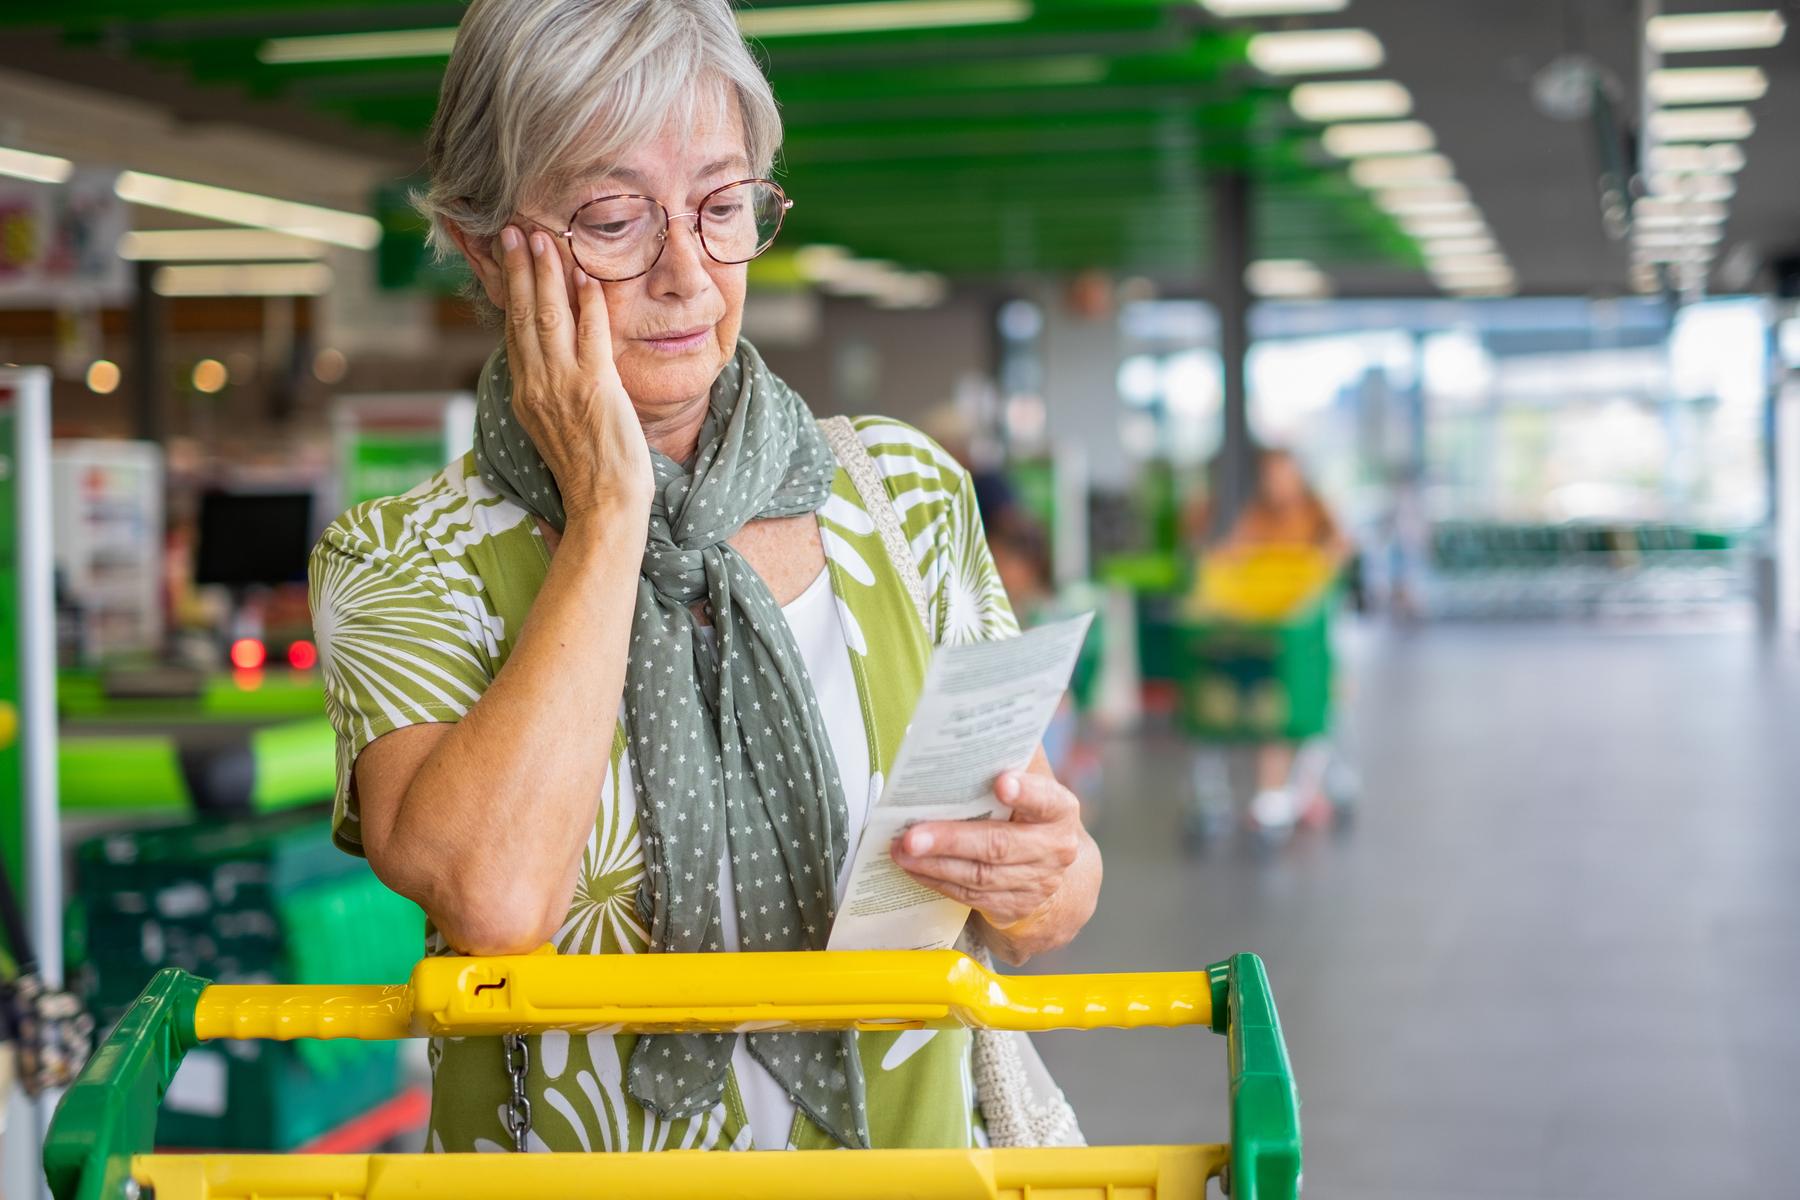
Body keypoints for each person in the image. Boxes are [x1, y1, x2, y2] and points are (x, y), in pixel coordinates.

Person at [307, 0, 1101, 1158]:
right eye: (613, 217)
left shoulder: (905, 496)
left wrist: (1047, 874)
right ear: (484, 244)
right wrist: (610, 509)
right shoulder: (401, 559)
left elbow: (1041, 896)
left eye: (724, 207)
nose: (686, 273)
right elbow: (494, 901)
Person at [1207, 447, 1349, 828]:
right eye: (1271, 476)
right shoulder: (1257, 516)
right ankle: (1280, 795)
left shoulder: (1318, 513)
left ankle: (1303, 792)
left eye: (1284, 475)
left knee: (1316, 710)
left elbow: (1341, 550)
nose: (1278, 484)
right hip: (1272, 633)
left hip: (1308, 633)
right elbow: (1231, 553)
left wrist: (1320, 565)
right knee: (1278, 716)